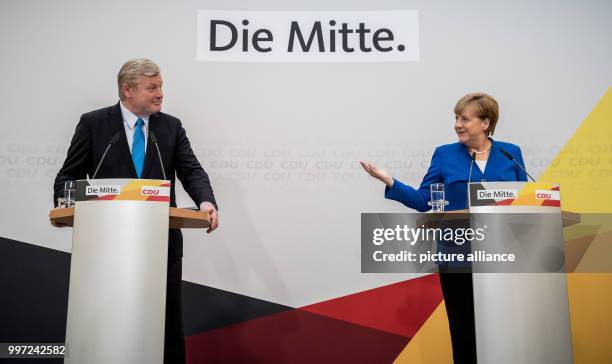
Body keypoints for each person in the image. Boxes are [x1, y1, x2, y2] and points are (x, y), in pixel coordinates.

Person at [53, 58, 219, 364]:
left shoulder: (171, 127)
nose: (160, 94)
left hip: (161, 246)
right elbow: (67, 176)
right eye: (152, 87)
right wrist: (66, 204)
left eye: (161, 86)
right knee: (107, 326)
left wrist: (206, 202)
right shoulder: (94, 124)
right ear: (127, 90)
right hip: (105, 248)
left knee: (165, 328)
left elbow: (192, 171)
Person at [360, 92, 528, 364]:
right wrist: (390, 181)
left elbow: (525, 199)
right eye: (456, 119)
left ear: (486, 123)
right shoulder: (445, 154)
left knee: (505, 328)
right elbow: (425, 200)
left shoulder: (511, 153)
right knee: (464, 329)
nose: (458, 124)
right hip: (457, 253)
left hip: (503, 254)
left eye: (465, 119)